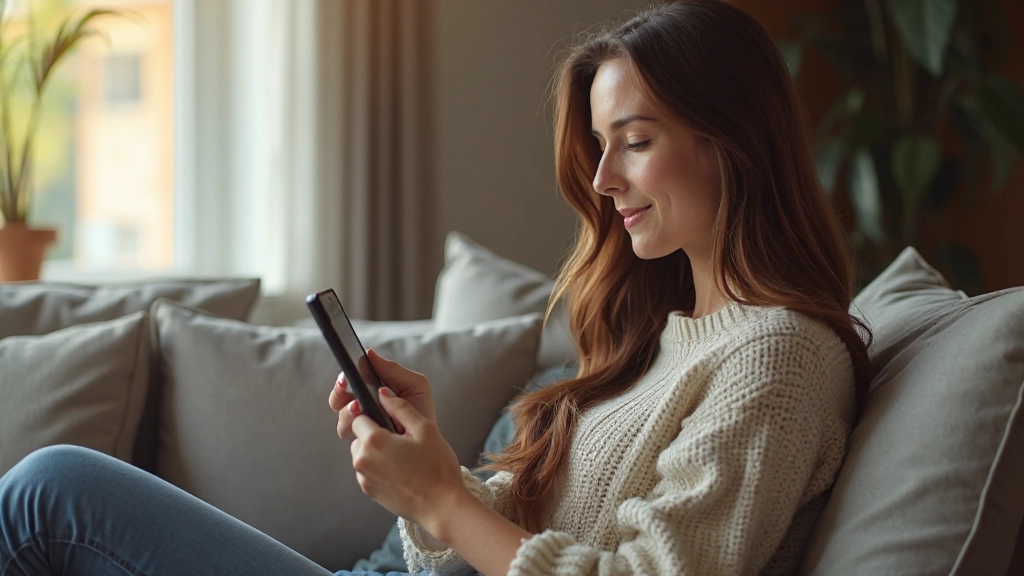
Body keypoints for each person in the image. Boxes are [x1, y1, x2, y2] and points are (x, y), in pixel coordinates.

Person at [0, 1, 871, 575]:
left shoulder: (780, 358)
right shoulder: (667, 332)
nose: (602, 178)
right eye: (599, 145)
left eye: (634, 140)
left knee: (51, 491)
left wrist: (445, 501)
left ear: (735, 140)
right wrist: (435, 475)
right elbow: (534, 540)